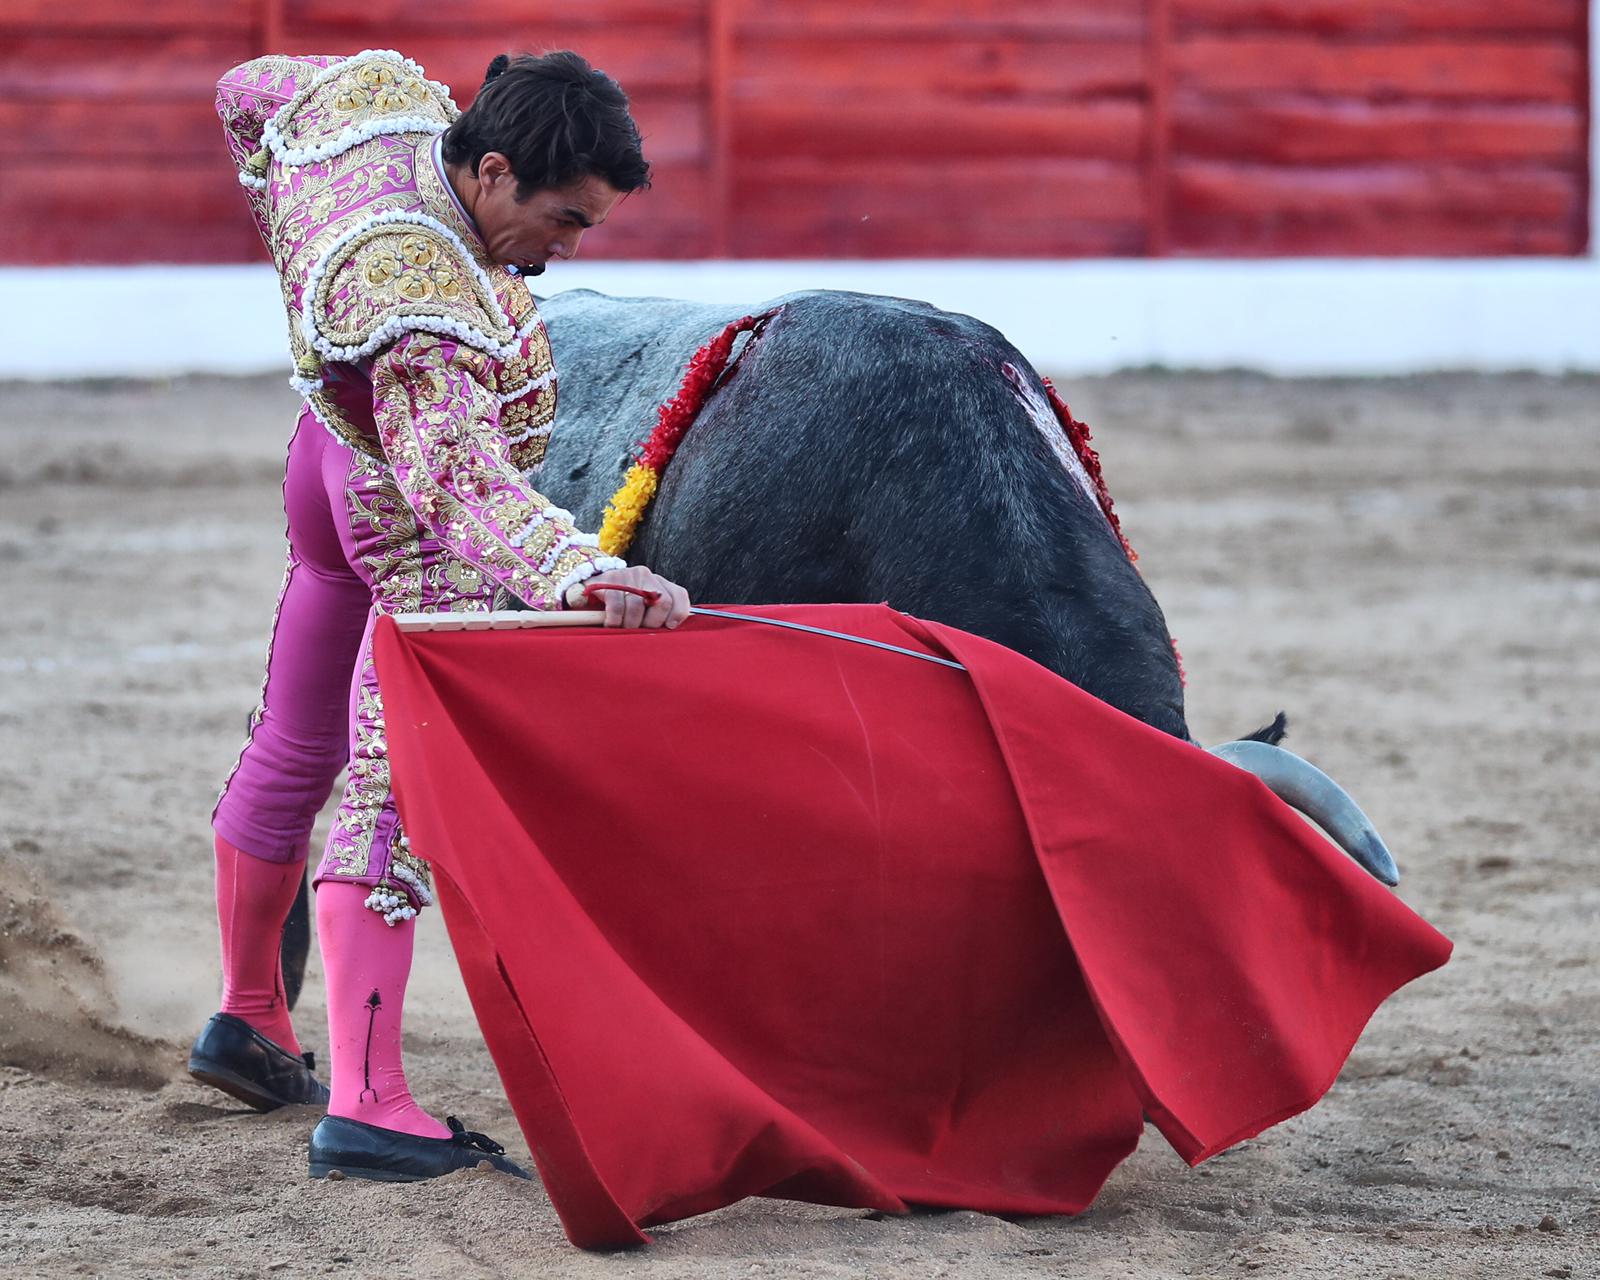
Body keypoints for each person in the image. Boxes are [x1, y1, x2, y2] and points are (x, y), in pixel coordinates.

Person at [187, 47, 690, 1182]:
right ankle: (369, 1103)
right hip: (397, 510)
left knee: (294, 735)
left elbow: (248, 92)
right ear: (495, 169)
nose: (565, 254)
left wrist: (283, 231)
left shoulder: (382, 112)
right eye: (563, 220)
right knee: (387, 776)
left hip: (321, 448)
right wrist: (579, 571)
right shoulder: (420, 294)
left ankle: (251, 1014)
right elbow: (456, 482)